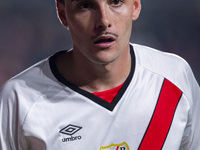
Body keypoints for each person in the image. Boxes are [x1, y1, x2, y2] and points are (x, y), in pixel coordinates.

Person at [0, 0, 200, 149]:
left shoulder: (174, 77)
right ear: (62, 14)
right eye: (86, 5)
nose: (104, 21)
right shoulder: (20, 99)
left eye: (115, 2)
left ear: (136, 6)